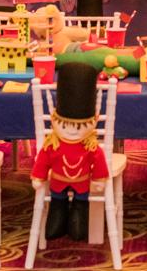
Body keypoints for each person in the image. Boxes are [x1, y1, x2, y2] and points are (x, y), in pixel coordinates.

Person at [31, 63, 108, 242]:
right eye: (66, 125)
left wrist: (98, 179)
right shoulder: (53, 144)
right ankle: (57, 221)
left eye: (79, 127)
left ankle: (78, 224)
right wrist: (38, 176)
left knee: (81, 205)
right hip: (58, 183)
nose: (72, 131)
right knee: (57, 203)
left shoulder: (90, 146)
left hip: (82, 185)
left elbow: (99, 161)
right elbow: (43, 159)